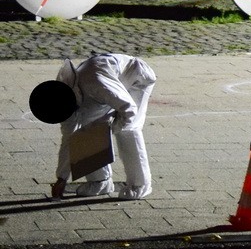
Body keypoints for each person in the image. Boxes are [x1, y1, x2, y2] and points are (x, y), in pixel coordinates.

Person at [29, 53, 157, 200]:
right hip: (106, 90)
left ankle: (140, 185)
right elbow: (69, 138)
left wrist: (114, 127)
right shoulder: (62, 97)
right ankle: (100, 181)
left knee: (128, 130)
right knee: (88, 129)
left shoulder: (96, 83)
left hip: (137, 78)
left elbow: (129, 110)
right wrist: (61, 178)